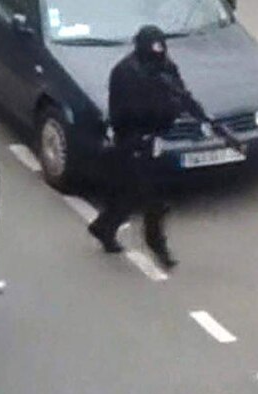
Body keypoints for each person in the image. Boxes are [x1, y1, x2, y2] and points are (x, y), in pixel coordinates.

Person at [88, 25, 200, 269]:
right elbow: (124, 114)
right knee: (153, 199)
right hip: (132, 141)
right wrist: (160, 109)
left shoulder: (166, 67)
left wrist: (186, 108)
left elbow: (180, 92)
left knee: (129, 195)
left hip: (155, 140)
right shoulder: (125, 73)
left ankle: (103, 227)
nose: (159, 55)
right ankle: (157, 245)